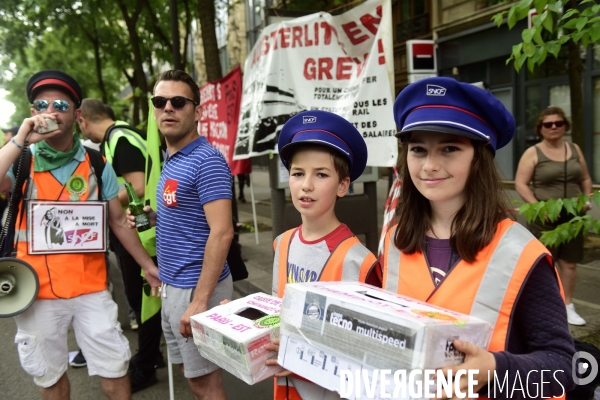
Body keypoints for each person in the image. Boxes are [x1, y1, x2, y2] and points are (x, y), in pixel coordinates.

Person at [381, 77, 575, 398]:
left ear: (478, 158)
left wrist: (496, 370)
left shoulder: (522, 254)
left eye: (450, 149)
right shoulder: (393, 241)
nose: (429, 165)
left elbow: (561, 369)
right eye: (418, 149)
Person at [0, 69, 160, 399]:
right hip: (36, 293)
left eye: (60, 104)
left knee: (115, 369)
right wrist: (19, 139)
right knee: (51, 377)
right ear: (33, 113)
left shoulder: (97, 162)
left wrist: (147, 265)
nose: (51, 111)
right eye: (41, 104)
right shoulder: (21, 161)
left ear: (76, 114)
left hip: (91, 290)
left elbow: (117, 222)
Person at [129, 69, 233, 400]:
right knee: (192, 376)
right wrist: (153, 217)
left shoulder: (207, 161)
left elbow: (222, 232)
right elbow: (188, 214)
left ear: (197, 111)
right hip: (174, 286)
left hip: (197, 288)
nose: (168, 108)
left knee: (206, 383)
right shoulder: (171, 159)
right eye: (160, 102)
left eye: (178, 101)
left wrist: (200, 300)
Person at [268, 110, 382, 400]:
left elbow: (367, 351)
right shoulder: (282, 243)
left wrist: (303, 360)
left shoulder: (359, 261)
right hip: (284, 389)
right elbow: (275, 313)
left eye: (321, 174)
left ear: (343, 185)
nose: (306, 185)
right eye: (297, 173)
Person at [79, 98, 164, 391]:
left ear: (84, 120)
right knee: (144, 298)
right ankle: (152, 355)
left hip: (140, 231)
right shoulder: (122, 136)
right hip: (138, 228)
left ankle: (146, 364)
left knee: (143, 300)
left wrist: (100, 198)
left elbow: (137, 186)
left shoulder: (120, 139)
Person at [515, 106, 592, 326]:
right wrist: (537, 207)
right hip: (544, 218)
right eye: (548, 124)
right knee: (544, 263)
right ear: (540, 128)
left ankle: (568, 305)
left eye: (559, 123)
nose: (554, 127)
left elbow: (585, 178)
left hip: (573, 217)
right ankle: (542, 308)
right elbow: (521, 183)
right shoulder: (533, 152)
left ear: (565, 126)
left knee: (570, 263)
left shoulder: (574, 149)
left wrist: (587, 199)